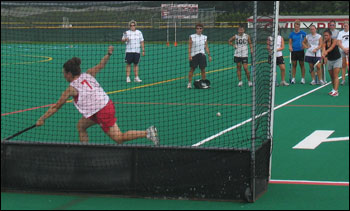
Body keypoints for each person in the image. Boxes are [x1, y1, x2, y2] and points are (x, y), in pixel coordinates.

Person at [36, 46, 159, 145]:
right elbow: (101, 65)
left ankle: (147, 133)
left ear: (69, 73)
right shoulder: (88, 74)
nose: (63, 76)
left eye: (64, 73)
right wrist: (108, 54)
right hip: (101, 107)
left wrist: (42, 119)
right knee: (81, 126)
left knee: (119, 138)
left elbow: (56, 107)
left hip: (102, 111)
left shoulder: (71, 89)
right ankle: (86, 151)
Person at [187, 23, 212, 89]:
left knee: (203, 69)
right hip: (194, 55)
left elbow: (206, 46)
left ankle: (203, 83)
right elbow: (189, 46)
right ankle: (189, 83)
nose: (199, 30)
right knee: (192, 69)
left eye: (200, 28)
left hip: (202, 55)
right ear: (196, 29)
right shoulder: (192, 36)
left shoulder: (204, 37)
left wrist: (209, 55)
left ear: (202, 29)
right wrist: (189, 55)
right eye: (197, 28)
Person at [322, 30, 342, 97]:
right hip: (330, 60)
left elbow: (332, 47)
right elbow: (323, 49)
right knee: (332, 77)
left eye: (327, 35)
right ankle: (333, 89)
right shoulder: (324, 43)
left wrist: (326, 52)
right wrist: (323, 55)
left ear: (330, 36)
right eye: (324, 35)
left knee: (335, 75)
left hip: (337, 60)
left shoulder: (334, 40)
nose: (325, 37)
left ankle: (336, 91)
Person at [289, 20, 307, 84]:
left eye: (297, 26)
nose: (296, 28)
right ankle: (293, 78)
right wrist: (290, 47)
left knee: (302, 65)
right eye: (295, 26)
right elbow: (290, 42)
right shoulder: (292, 34)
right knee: (294, 65)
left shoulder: (303, 33)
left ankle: (303, 78)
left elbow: (306, 40)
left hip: (301, 51)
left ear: (299, 26)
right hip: (294, 51)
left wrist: (304, 45)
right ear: (294, 26)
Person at [337, 21, 349, 85]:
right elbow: (338, 42)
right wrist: (344, 49)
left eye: (346, 26)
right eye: (344, 26)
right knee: (343, 65)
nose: (345, 27)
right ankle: (343, 80)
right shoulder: (340, 33)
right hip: (343, 50)